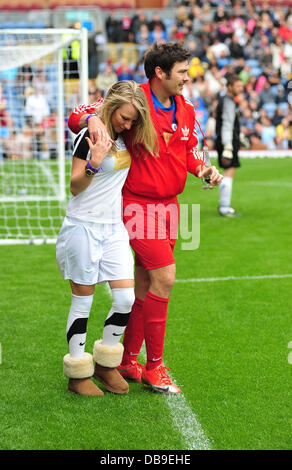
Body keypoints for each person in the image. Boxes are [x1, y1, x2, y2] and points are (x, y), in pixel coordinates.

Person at [68, 42, 223, 394]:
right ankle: (155, 366)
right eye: (182, 72)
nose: (187, 77)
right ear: (160, 73)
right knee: (164, 279)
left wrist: (203, 170)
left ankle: (125, 360)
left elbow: (189, 151)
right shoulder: (133, 99)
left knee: (142, 283)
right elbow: (76, 115)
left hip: (170, 207)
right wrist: (93, 117)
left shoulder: (185, 108)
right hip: (137, 205)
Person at [56, 80, 158, 397]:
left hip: (114, 229)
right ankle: (78, 373)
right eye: (123, 117)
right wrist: (94, 165)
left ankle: (105, 363)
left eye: (132, 121)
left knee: (126, 299)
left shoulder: (127, 137)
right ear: (112, 108)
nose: (127, 124)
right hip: (82, 226)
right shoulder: (88, 138)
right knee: (83, 301)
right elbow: (74, 186)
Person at [215, 73, 244, 217]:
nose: (240, 88)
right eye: (237, 86)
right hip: (228, 142)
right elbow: (227, 124)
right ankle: (224, 207)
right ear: (230, 86)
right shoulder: (228, 102)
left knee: (228, 172)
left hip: (228, 141)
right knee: (229, 172)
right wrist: (228, 146)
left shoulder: (229, 100)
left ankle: (224, 205)